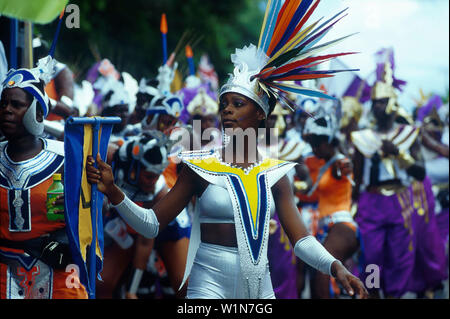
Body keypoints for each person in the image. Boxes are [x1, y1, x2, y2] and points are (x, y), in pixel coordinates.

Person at [0, 56, 87, 299]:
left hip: (58, 274)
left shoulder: (66, 158)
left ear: (37, 112)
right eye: (3, 103)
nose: (6, 110)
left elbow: (90, 215)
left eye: (15, 105)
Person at [351, 57, 427, 298]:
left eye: (383, 101)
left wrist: (399, 154)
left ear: (393, 103)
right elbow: (357, 176)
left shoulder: (408, 134)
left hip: (399, 201)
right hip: (371, 202)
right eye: (375, 102)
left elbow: (420, 172)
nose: (378, 107)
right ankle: (373, 292)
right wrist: (351, 206)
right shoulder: (361, 138)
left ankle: (394, 294)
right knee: (372, 256)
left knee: (399, 255)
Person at [301, 112, 359, 299]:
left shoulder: (339, 164)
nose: (314, 148)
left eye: (317, 142)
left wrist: (347, 165)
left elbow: (346, 169)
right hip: (323, 227)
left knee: (323, 272)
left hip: (341, 225)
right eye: (311, 143)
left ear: (329, 140)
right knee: (317, 276)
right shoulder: (323, 164)